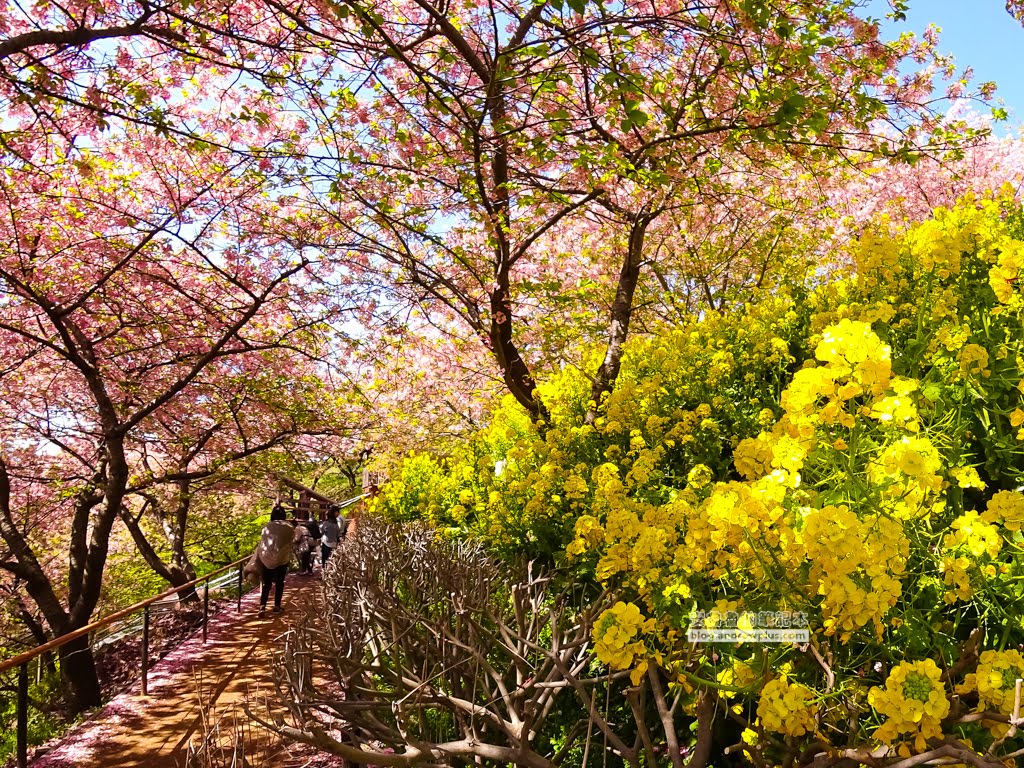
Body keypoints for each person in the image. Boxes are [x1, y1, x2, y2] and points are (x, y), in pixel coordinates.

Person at [256, 505, 294, 615]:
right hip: (282, 558)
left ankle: (262, 607)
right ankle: (277, 606)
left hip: (266, 557)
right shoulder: (289, 527)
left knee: (266, 583)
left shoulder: (266, 526)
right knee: (279, 582)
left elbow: (263, 541)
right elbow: (292, 539)